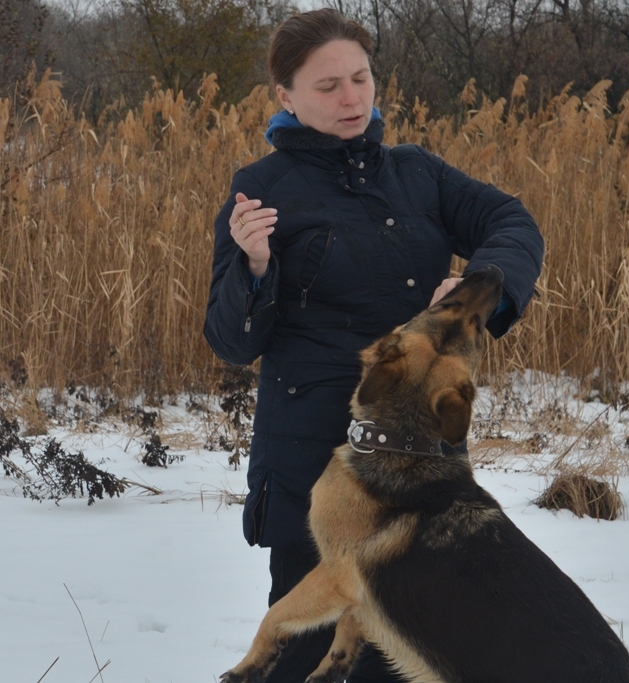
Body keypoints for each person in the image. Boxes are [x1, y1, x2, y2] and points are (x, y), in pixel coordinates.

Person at [203, 8, 544, 682]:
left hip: (418, 461)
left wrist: (480, 288)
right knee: (306, 656)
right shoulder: (260, 192)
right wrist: (256, 267)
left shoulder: (417, 173)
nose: (350, 98)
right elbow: (232, 341)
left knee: (405, 647)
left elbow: (511, 220)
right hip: (312, 463)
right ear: (286, 97)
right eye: (327, 86)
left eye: (360, 78)